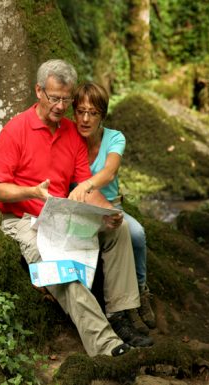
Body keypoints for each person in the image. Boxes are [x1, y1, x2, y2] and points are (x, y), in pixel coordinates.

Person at [0, 59, 153, 357]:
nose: (61, 106)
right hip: (23, 220)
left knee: (121, 229)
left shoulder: (71, 133)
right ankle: (106, 345)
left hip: (61, 216)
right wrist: (31, 191)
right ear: (39, 91)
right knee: (58, 269)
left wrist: (107, 214)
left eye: (66, 99)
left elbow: (85, 185)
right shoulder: (16, 130)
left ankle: (120, 315)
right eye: (54, 98)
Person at [69, 82, 156, 334]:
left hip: (109, 207)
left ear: (102, 116)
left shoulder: (114, 137)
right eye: (81, 111)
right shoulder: (68, 137)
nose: (86, 119)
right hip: (78, 209)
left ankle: (140, 292)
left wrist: (84, 186)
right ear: (73, 112)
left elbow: (108, 172)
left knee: (136, 233)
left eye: (93, 113)